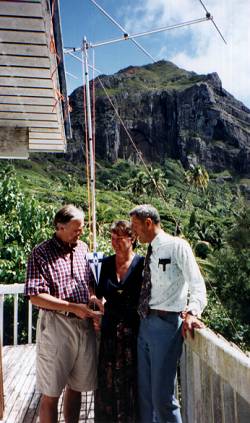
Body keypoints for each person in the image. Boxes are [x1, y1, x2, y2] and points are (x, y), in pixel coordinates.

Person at [129, 204, 207, 423]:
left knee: (162, 397)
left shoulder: (176, 246)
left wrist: (192, 312)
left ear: (148, 223)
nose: (133, 232)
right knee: (145, 395)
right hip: (145, 323)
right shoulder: (149, 251)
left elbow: (197, 284)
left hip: (167, 324)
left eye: (136, 226)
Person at [24, 204, 101, 423]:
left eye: (82, 228)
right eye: (76, 229)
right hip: (57, 325)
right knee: (51, 392)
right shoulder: (41, 253)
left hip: (83, 325)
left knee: (77, 387)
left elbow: (88, 284)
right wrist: (72, 307)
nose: (81, 233)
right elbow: (35, 295)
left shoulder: (83, 248)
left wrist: (92, 298)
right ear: (60, 227)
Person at [94, 220, 144, 423]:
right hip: (109, 332)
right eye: (112, 238)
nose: (114, 242)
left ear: (132, 239)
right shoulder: (105, 263)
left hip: (133, 332)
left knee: (131, 382)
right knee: (107, 381)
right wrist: (96, 312)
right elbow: (98, 293)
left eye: (119, 238)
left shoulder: (142, 264)